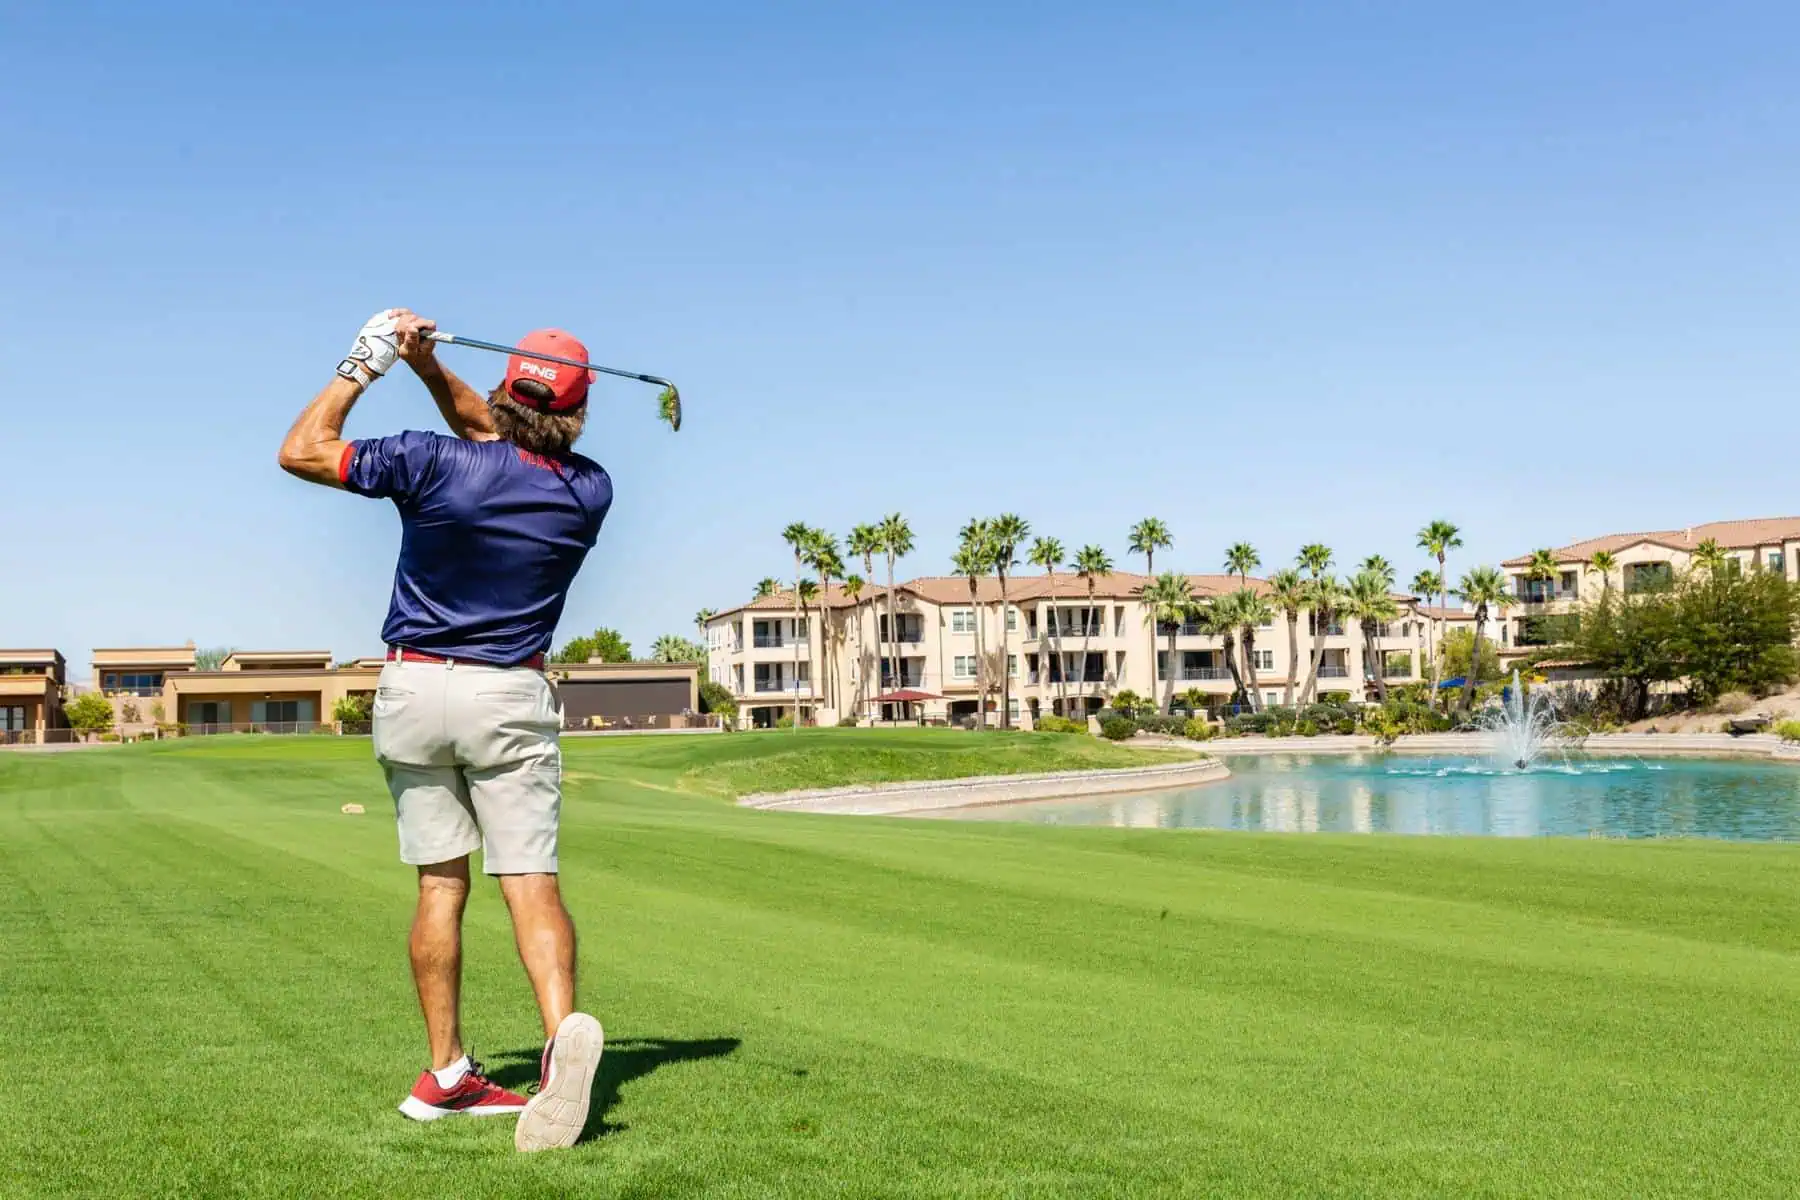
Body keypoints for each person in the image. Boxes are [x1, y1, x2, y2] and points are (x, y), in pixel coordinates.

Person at [278, 309, 611, 1152]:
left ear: (504, 389)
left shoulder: (431, 461)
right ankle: (557, 1044)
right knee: (529, 880)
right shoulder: (586, 489)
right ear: (577, 412)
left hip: (415, 687)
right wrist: (429, 370)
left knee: (440, 886)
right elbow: (502, 437)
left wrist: (372, 358)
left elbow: (302, 449)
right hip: (510, 698)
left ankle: (448, 1072)